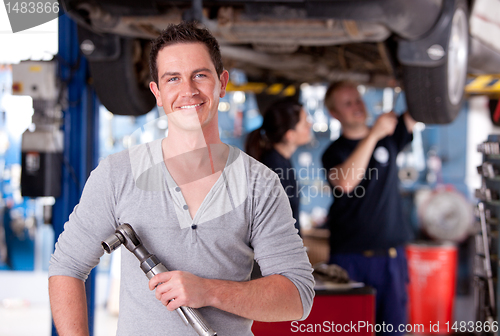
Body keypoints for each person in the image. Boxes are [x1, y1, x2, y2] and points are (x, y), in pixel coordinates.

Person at [48, 21, 314, 336]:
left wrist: (209, 291)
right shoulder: (117, 174)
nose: (188, 90)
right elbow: (67, 267)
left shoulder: (261, 185)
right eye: (173, 78)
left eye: (200, 75)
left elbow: (298, 296)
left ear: (222, 83)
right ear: (157, 93)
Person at [321, 81, 416, 335]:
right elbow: (346, 182)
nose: (357, 106)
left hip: (390, 257)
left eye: (358, 99)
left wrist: (407, 80)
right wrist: (373, 134)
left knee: (394, 331)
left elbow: (418, 111)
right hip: (349, 258)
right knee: (350, 329)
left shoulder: (390, 139)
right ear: (335, 114)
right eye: (348, 103)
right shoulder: (334, 152)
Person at [245, 98, 312, 236]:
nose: (310, 125)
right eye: (305, 123)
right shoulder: (273, 167)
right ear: (290, 135)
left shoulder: (280, 160)